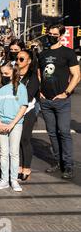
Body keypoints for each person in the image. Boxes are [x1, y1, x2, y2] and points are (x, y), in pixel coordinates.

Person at [38, 24, 81, 179]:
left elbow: (77, 75)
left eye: (54, 34)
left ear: (61, 36)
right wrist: (40, 92)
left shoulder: (68, 53)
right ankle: (58, 162)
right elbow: (39, 74)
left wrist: (66, 93)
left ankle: (68, 165)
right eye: (49, 33)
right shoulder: (42, 54)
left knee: (63, 132)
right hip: (46, 101)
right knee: (52, 133)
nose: (51, 36)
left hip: (62, 101)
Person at [0, 61, 28, 192]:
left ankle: (14, 179)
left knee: (14, 152)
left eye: (6, 73)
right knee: (3, 153)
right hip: (1, 123)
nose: (4, 75)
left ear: (14, 72)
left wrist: (13, 123)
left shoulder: (21, 87)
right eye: (2, 73)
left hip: (16, 124)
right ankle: (4, 180)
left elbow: (23, 107)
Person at [17, 50, 40, 182]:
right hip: (13, 111)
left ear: (29, 61)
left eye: (21, 59)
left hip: (28, 110)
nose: (18, 61)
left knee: (25, 139)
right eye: (17, 58)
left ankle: (26, 168)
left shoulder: (33, 77)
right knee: (16, 140)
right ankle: (18, 166)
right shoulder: (13, 74)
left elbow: (29, 96)